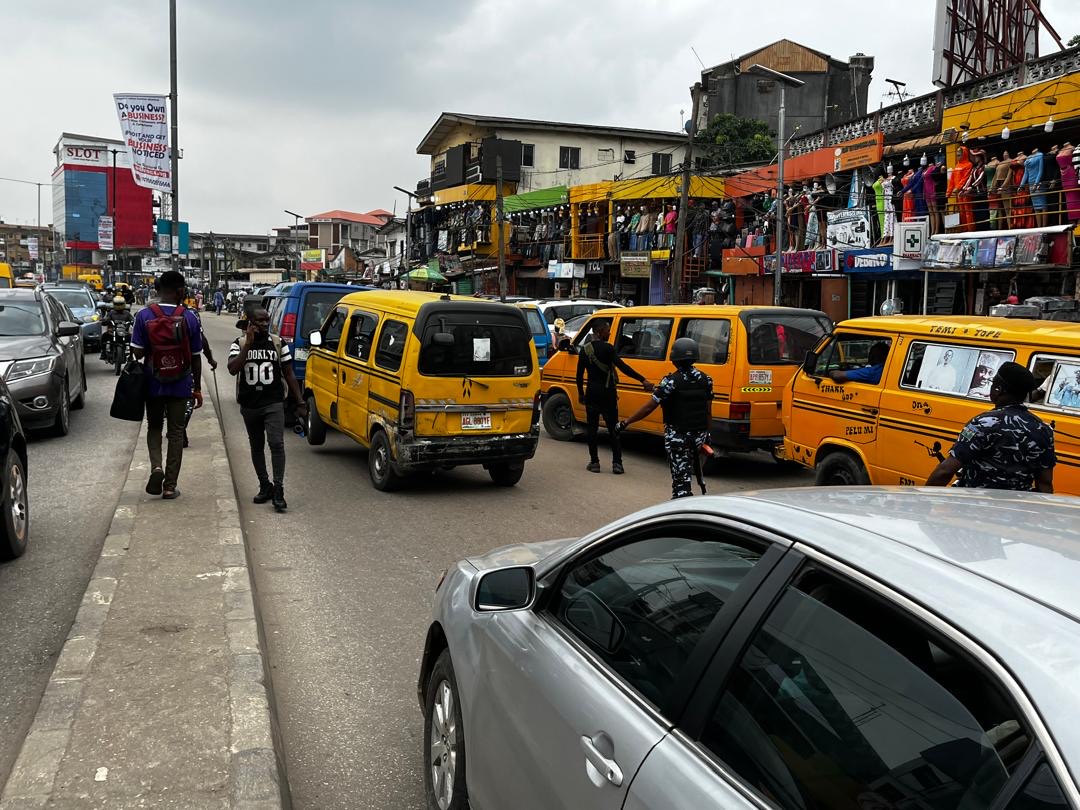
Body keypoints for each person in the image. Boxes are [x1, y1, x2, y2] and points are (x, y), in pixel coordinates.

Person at [926, 361, 1055, 492]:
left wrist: (923, 499)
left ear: (999, 389)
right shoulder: (1043, 429)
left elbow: (945, 471)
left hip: (976, 507)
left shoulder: (984, 423)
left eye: (993, 383)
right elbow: (1045, 483)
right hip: (1018, 509)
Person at [130, 270, 203, 500]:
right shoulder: (190, 317)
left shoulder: (143, 316)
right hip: (180, 383)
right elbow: (196, 356)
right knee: (176, 432)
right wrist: (197, 388)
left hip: (153, 382)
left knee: (153, 427)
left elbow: (138, 351)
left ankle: (156, 468)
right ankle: (170, 486)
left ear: (157, 289)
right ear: (181, 291)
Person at [227, 308, 307, 511]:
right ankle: (265, 485)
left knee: (276, 443)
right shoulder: (239, 344)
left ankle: (279, 489)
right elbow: (233, 368)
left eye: (266, 321)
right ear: (250, 323)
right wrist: (249, 344)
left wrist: (300, 403)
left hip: (273, 402)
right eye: (259, 321)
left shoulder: (278, 344)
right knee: (256, 446)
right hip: (250, 404)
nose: (264, 324)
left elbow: (289, 374)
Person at [616, 337, 714, 499]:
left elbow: (649, 407)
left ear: (675, 359)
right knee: (685, 474)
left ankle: (682, 508)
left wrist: (626, 422)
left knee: (681, 481)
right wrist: (707, 436)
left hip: (678, 438)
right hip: (698, 436)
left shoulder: (671, 381)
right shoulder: (706, 379)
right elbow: (708, 411)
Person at [576, 319, 651, 474]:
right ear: (599, 332)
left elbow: (579, 376)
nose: (609, 333)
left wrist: (581, 394)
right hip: (608, 394)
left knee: (592, 429)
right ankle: (617, 464)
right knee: (613, 429)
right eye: (607, 330)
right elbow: (623, 367)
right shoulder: (608, 349)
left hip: (592, 393)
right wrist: (642, 379)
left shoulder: (585, 350)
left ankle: (594, 463)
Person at [100, 295, 135, 361]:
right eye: (117, 304)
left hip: (125, 332)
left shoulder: (127, 313)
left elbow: (132, 320)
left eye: (120, 304)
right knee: (103, 337)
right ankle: (103, 352)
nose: (119, 305)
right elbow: (106, 320)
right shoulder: (111, 313)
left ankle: (131, 355)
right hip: (112, 333)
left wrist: (134, 322)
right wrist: (104, 321)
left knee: (133, 339)